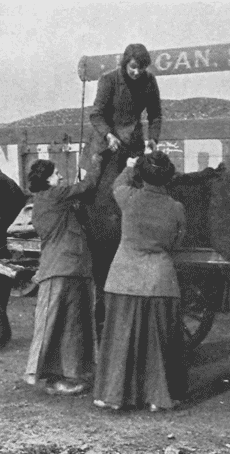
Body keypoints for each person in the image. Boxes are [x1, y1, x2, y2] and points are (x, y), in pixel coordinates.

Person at [93, 151, 187, 412]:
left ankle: (114, 396)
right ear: (169, 176)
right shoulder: (176, 208)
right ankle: (158, 397)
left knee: (121, 339)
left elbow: (117, 184)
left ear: (142, 175)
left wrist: (130, 166)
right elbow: (177, 243)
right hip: (160, 280)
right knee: (159, 343)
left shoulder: (129, 198)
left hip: (124, 278)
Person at [85, 42, 163, 341]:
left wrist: (153, 138)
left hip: (134, 142)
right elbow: (96, 114)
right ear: (124, 64)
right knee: (96, 189)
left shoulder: (149, 81)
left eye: (141, 68)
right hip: (106, 145)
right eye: (133, 67)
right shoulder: (108, 80)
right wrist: (107, 135)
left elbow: (155, 114)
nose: (137, 72)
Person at [23, 154, 102, 396]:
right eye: (56, 173)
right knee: (55, 322)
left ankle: (66, 375)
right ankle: (40, 373)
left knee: (68, 323)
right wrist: (96, 161)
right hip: (61, 268)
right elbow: (87, 186)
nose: (60, 176)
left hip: (67, 268)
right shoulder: (53, 195)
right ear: (47, 179)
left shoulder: (48, 200)